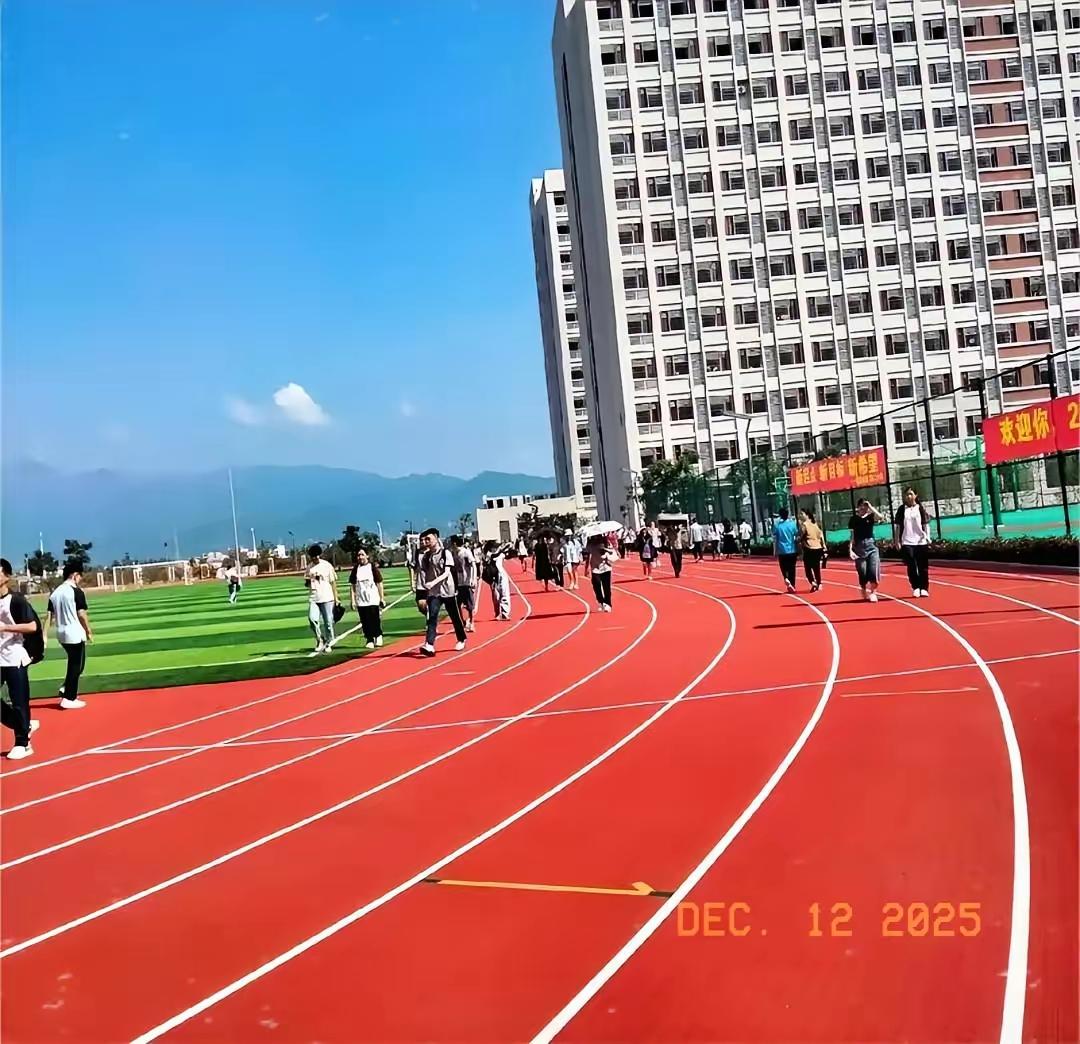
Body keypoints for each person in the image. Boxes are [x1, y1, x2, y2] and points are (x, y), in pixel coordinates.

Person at [1, 559, 41, 760]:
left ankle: (23, 743)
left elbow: (32, 626)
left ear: (6, 577)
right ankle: (23, 726)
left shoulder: (16, 600)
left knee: (19, 702)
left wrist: (5, 627)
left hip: (15, 657)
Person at [46, 561, 93, 709]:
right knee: (76, 665)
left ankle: (66, 688)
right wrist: (88, 630)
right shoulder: (76, 591)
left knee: (76, 663)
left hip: (61, 633)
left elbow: (49, 616)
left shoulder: (55, 593)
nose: (80, 579)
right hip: (74, 632)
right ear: (75, 575)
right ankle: (69, 698)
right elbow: (81, 614)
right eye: (80, 576)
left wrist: (44, 634)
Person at [417, 528, 467, 656]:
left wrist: (432, 582)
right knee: (432, 617)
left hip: (448, 590)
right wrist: (422, 590)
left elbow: (446, 573)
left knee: (454, 616)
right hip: (434, 593)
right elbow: (422, 573)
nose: (425, 542)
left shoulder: (446, 553)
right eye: (424, 540)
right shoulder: (426, 556)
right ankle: (429, 644)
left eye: (428, 539)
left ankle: (461, 638)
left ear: (436, 538)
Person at [894, 487, 932, 597]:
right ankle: (916, 587)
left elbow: (925, 524)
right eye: (906, 494)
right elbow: (898, 526)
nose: (908, 496)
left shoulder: (920, 508)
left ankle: (924, 588)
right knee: (911, 565)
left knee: (922, 566)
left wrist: (927, 537)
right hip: (907, 541)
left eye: (911, 494)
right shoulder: (902, 509)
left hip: (921, 541)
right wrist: (897, 541)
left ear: (916, 495)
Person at [305, 544, 340, 653]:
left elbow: (333, 582)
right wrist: (309, 580)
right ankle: (320, 639)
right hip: (314, 597)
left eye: (317, 555)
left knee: (328, 622)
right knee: (312, 619)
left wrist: (336, 598)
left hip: (327, 597)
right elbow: (306, 583)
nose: (316, 557)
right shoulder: (309, 567)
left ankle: (329, 642)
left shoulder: (327, 565)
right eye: (313, 556)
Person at [348, 548, 385, 649]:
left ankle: (378, 635)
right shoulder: (356, 569)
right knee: (365, 621)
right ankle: (369, 639)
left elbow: (379, 583)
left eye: (362, 555)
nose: (360, 557)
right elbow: (352, 585)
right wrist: (353, 600)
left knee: (374, 619)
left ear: (367, 556)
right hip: (361, 600)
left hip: (372, 598)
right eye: (358, 555)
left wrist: (382, 598)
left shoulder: (372, 568)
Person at [849, 499, 885, 602]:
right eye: (861, 505)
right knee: (862, 571)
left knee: (873, 570)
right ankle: (863, 587)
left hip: (871, 545)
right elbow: (852, 536)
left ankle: (873, 592)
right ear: (858, 507)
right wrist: (850, 549)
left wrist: (871, 506)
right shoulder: (853, 519)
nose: (863, 507)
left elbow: (881, 517)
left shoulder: (871, 517)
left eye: (865, 505)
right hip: (859, 547)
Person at [449, 534, 478, 633]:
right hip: (458, 583)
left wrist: (473, 579)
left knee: (470, 605)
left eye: (451, 543)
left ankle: (472, 623)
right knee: (457, 605)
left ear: (454, 543)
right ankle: (463, 622)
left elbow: (473, 565)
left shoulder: (465, 552)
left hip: (467, 582)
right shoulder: (454, 554)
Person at [585, 534, 617, 612]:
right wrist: (586, 568)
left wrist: (605, 550)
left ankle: (608, 604)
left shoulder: (606, 541)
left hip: (606, 567)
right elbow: (588, 556)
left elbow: (612, 551)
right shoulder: (590, 544)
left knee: (606, 587)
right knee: (596, 584)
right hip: (595, 568)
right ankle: (601, 601)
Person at [481, 541, 512, 620]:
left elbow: (508, 555)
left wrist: (509, 549)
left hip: (502, 575)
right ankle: (497, 613)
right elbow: (494, 556)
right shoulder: (488, 554)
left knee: (504, 593)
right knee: (496, 596)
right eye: (495, 547)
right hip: (493, 577)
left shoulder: (501, 554)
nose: (497, 548)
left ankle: (505, 613)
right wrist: (503, 549)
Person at [773, 507, 799, 592]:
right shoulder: (792, 524)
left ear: (780, 515)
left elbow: (775, 538)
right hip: (792, 549)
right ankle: (793, 584)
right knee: (792, 568)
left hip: (782, 550)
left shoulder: (777, 525)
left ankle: (786, 577)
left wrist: (775, 551)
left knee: (783, 567)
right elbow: (796, 535)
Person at [798, 509, 826, 592]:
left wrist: (797, 540)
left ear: (807, 515)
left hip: (809, 548)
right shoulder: (816, 524)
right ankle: (819, 583)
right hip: (818, 548)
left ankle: (813, 582)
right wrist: (824, 547)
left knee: (808, 568)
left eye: (802, 514)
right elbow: (821, 536)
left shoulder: (804, 525)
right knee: (816, 567)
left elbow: (801, 536)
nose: (800, 515)